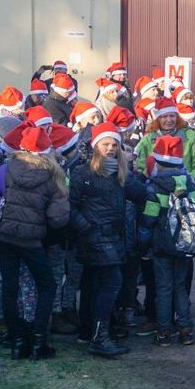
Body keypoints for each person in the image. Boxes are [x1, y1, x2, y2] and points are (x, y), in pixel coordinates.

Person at [69, 123, 149, 357]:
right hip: (94, 236)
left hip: (112, 236)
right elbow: (71, 207)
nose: (111, 149)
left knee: (94, 284)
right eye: (106, 144)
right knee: (111, 282)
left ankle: (88, 332)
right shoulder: (83, 173)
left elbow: (141, 194)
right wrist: (85, 227)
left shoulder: (121, 174)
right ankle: (100, 336)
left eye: (115, 144)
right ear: (96, 146)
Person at [0, 126, 70, 359]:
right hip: (33, 241)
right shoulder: (54, 176)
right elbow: (58, 220)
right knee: (47, 286)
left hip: (5, 238)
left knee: (9, 287)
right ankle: (38, 342)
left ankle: (17, 342)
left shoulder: (5, 169)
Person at [140, 135, 195, 347]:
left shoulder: (155, 186)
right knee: (180, 286)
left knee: (163, 287)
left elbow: (149, 219)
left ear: (156, 160)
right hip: (185, 243)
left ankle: (164, 330)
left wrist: (143, 245)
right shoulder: (190, 182)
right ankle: (185, 328)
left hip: (162, 244)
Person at [134, 98, 195, 187]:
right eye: (164, 117)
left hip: (185, 190)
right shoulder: (148, 140)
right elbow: (141, 168)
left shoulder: (191, 137)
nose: (169, 120)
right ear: (158, 119)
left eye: (172, 116)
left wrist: (185, 182)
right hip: (155, 192)